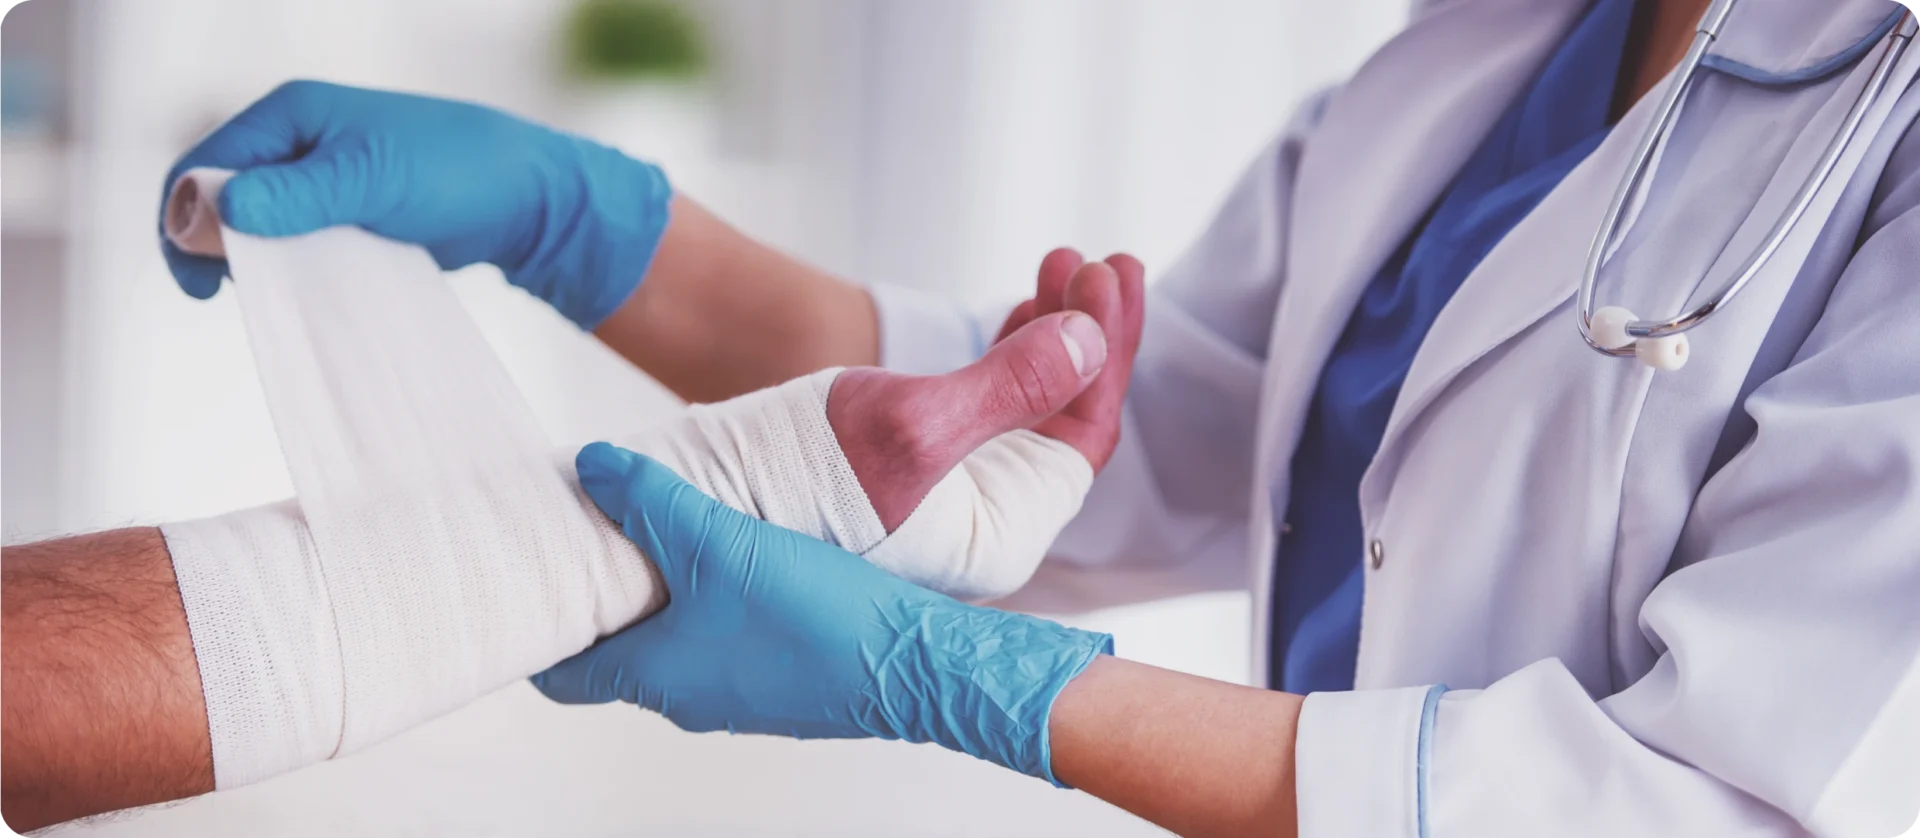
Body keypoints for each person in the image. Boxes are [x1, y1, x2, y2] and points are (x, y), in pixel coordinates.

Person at [7, 0, 1920, 834]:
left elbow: (1710, 805)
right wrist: (578, 222)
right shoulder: (1484, 49)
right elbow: (1135, 430)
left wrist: (967, 681)